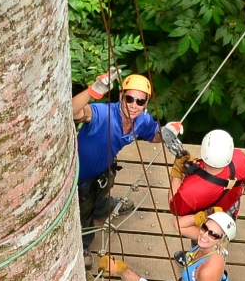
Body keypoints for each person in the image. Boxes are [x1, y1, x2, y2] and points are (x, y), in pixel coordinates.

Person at [71, 71, 182, 260]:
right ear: (121, 95)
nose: (133, 105)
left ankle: (101, 205)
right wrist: (93, 91)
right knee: (82, 211)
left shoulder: (142, 120)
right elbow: (73, 111)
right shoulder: (103, 114)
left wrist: (166, 133)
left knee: (103, 187)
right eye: (129, 98)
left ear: (146, 103)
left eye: (140, 101)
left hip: (103, 168)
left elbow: (153, 136)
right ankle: (83, 244)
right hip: (79, 175)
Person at [168, 130, 245, 241]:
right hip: (230, 207)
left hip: (206, 222)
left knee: (204, 239)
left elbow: (174, 207)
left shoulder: (189, 191)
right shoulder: (240, 158)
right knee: (225, 227)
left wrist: (177, 173)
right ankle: (226, 233)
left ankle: (206, 244)